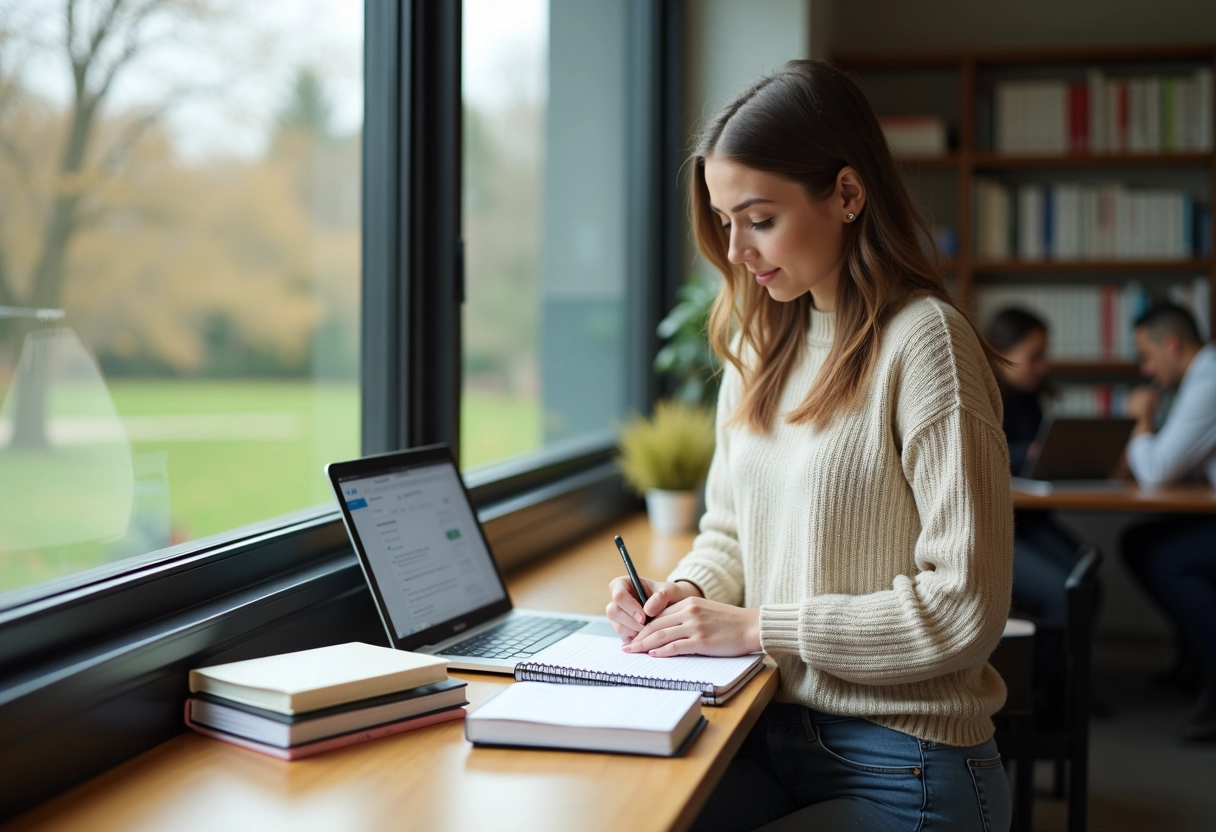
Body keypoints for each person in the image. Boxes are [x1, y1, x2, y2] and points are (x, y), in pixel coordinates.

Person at [606, 60, 1014, 831]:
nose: (735, 250)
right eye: (725, 222)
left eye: (759, 220)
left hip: (909, 763)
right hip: (768, 737)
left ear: (849, 196)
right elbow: (730, 533)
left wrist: (760, 628)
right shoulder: (759, 347)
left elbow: (966, 605)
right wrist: (684, 598)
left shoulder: (925, 344)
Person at [1120, 302, 1216, 742]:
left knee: (1166, 559)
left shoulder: (1209, 378)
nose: (1146, 368)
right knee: (1141, 542)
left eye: (1147, 355)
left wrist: (1141, 419)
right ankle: (1194, 661)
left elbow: (1157, 470)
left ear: (1172, 344)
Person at [986, 308, 1082, 626]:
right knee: (1065, 594)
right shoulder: (979, 397)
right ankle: (1045, 676)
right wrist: (1028, 451)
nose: (1043, 367)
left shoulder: (1031, 397)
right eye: (1034, 356)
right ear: (1000, 353)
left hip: (1030, 521)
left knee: (1088, 580)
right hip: (995, 526)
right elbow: (980, 454)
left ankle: (1072, 674)